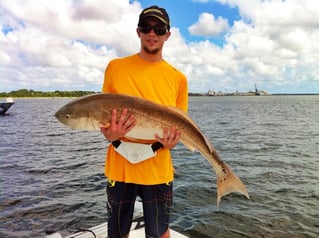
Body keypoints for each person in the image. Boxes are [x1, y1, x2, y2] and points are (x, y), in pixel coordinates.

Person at [100, 5, 188, 238]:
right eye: (147, 27)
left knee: (159, 232)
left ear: (167, 35)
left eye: (159, 29)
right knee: (116, 233)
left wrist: (172, 142)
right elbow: (103, 119)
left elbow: (179, 129)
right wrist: (110, 134)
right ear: (138, 31)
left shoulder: (178, 79)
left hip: (157, 168)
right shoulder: (115, 68)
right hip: (119, 167)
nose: (152, 33)